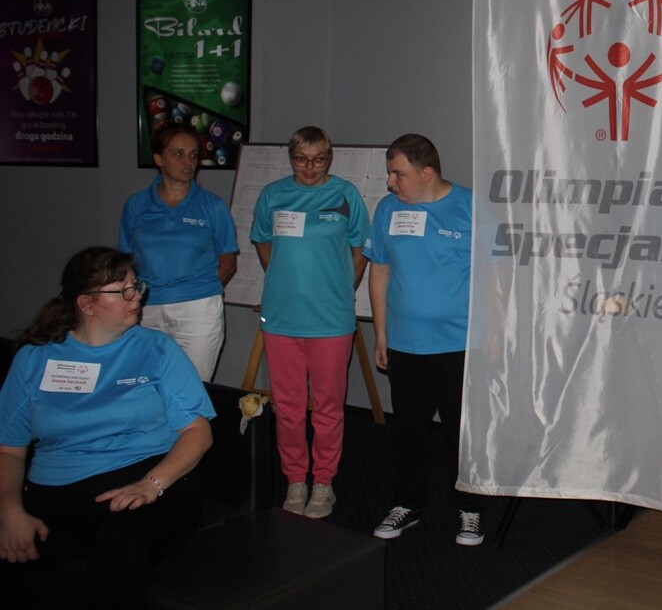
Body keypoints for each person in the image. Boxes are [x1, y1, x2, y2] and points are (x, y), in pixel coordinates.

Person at [0, 246, 214, 609]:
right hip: (59, 494)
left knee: (122, 536)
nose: (137, 296)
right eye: (124, 291)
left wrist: (151, 484)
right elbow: (9, 449)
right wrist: (9, 510)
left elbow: (198, 432)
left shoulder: (157, 349)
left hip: (147, 482)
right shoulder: (34, 359)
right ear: (86, 304)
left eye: (137, 286)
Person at [365, 134, 482, 545]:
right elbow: (379, 271)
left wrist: (492, 337)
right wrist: (381, 333)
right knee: (409, 431)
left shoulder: (471, 207)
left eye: (398, 174)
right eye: (390, 174)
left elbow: (494, 279)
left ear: (427, 172)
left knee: (459, 432)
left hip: (459, 345)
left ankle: (470, 508)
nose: (390, 182)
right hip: (405, 343)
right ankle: (408, 503)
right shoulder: (388, 209)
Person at [250, 126, 368, 520]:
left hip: (331, 319)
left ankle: (323, 483)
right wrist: (283, 279)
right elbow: (263, 242)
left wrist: (342, 287)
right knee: (287, 407)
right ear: (291, 157)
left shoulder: (347, 195)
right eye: (301, 159)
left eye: (318, 160)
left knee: (328, 407)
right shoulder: (273, 195)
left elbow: (359, 250)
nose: (309, 168)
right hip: (281, 318)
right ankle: (296, 480)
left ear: (329, 158)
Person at [119, 121, 239, 381]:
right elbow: (126, 260)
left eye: (193, 155)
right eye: (178, 154)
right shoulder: (136, 205)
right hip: (146, 307)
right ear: (159, 159)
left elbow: (228, 262)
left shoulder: (213, 206)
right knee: (147, 384)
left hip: (197, 309)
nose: (188, 162)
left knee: (193, 386)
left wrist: (198, 292)